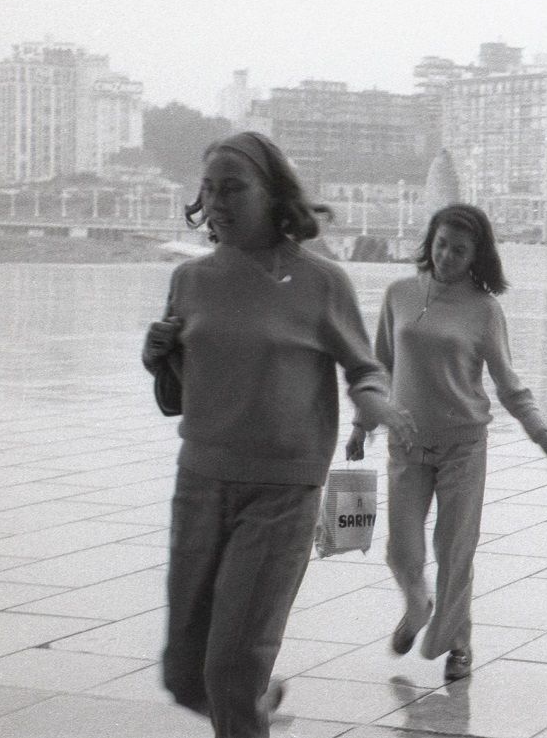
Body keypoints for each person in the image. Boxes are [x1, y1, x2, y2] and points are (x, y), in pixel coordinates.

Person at [142, 132, 417, 738]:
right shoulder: (190, 279)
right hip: (200, 484)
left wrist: (374, 403)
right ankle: (256, 706)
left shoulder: (321, 281)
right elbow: (178, 392)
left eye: (233, 188)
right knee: (185, 673)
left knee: (231, 667)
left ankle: (247, 704)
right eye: (208, 190)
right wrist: (157, 355)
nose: (216, 202)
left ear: (274, 194)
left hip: (280, 492)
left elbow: (366, 365)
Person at [346, 203, 547, 682]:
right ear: (430, 241)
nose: (447, 256)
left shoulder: (485, 310)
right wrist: (362, 425)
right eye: (441, 245)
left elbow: (508, 382)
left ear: (477, 256)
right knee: (402, 550)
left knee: (455, 550)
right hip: (405, 443)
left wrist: (540, 433)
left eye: (460, 250)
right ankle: (417, 606)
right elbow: (378, 366)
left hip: (462, 446)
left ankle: (459, 647)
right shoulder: (399, 293)